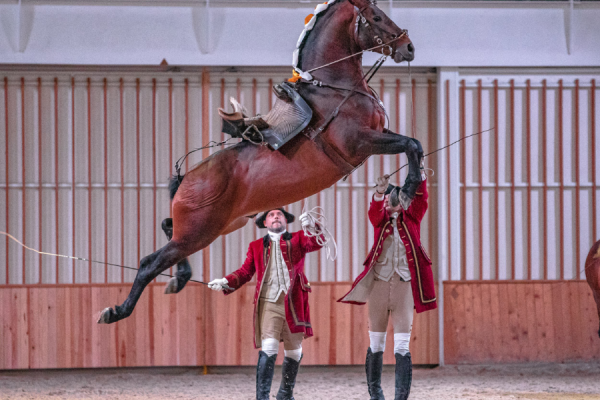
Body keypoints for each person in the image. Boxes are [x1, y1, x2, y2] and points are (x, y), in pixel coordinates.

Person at [338, 159, 437, 400]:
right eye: (392, 200)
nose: (395, 204)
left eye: (399, 200)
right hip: (380, 287)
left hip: (403, 286)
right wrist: (379, 191)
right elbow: (374, 213)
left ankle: (400, 397)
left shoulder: (411, 219)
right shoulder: (380, 222)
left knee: (402, 346)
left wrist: (420, 172)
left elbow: (421, 200)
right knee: (377, 344)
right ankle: (376, 394)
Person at [208, 208, 323, 400]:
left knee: (294, 352)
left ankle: (285, 394)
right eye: (271, 215)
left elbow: (317, 243)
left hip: (294, 302)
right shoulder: (255, 246)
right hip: (269, 303)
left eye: (279, 214)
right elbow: (245, 272)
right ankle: (262, 397)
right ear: (265, 223)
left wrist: (312, 227)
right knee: (269, 348)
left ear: (286, 220)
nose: (275, 216)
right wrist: (225, 281)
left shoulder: (300, 238)